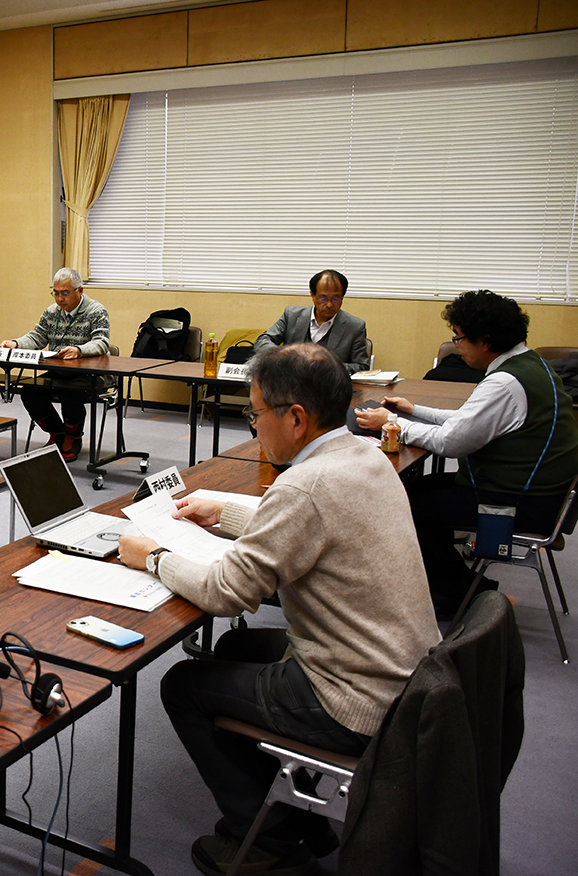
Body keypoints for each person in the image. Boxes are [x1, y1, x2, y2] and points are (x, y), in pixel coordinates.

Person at [118, 344, 438, 876]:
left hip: (353, 699)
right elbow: (309, 521)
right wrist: (223, 510)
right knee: (238, 647)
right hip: (403, 676)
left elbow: (228, 592)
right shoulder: (362, 455)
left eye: (256, 412)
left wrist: (153, 557)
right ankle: (294, 811)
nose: (253, 424)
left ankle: (265, 840)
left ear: (296, 418)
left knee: (183, 685)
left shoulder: (304, 486)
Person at [356, 290, 578, 614]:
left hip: (520, 502)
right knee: (412, 491)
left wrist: (392, 423)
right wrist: (414, 409)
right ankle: (456, 583)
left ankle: (460, 594)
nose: (457, 346)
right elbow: (470, 423)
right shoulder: (528, 365)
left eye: (458, 338)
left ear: (485, 341)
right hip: (539, 494)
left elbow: (452, 443)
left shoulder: (504, 383)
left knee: (407, 505)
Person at [1, 267, 110, 460]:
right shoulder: (52, 312)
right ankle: (57, 432)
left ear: (80, 291)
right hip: (59, 370)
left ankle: (73, 436)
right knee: (30, 391)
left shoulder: (96, 311)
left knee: (69, 391)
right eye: (56, 293)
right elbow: (37, 337)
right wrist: (16, 344)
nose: (60, 299)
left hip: (89, 373)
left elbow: (101, 342)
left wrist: (79, 350)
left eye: (65, 294)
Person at [252, 270, 370, 374]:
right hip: (290, 385)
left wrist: (328, 367)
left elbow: (362, 367)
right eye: (323, 298)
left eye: (335, 299)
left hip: (329, 388)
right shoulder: (292, 315)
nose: (329, 304)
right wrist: (284, 355)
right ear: (312, 295)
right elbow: (262, 341)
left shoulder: (355, 326)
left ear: (342, 297)